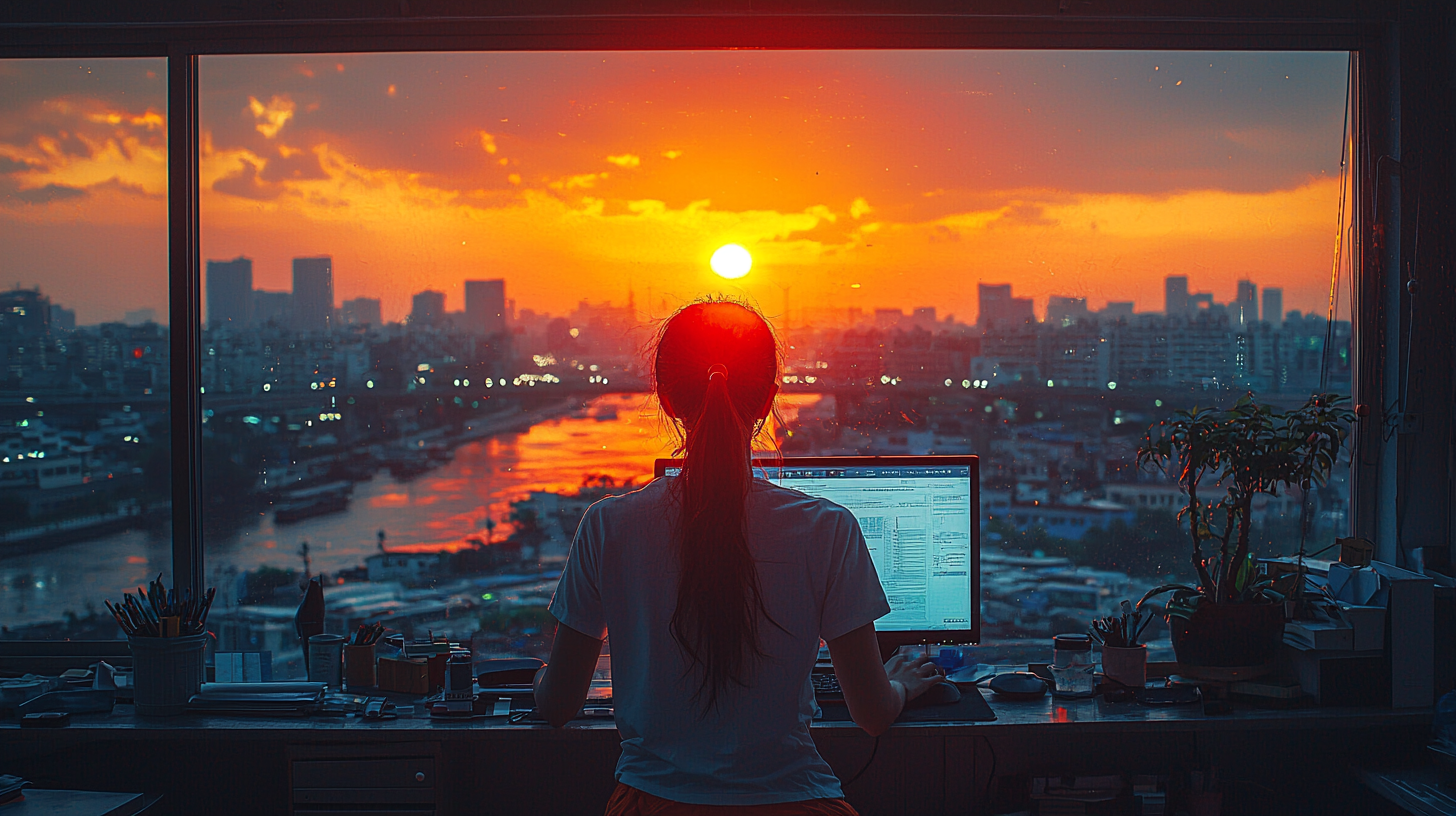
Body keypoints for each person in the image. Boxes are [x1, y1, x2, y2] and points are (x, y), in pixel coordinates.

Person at [535, 299, 946, 815]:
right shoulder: (826, 528)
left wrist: (537, 677)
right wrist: (903, 686)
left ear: (663, 397)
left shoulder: (608, 526)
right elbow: (871, 712)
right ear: (770, 398)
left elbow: (557, 705)